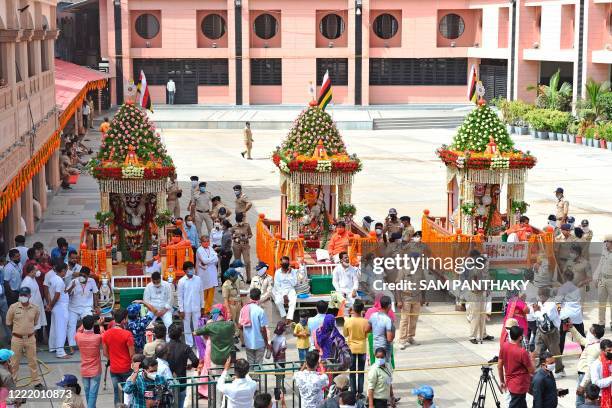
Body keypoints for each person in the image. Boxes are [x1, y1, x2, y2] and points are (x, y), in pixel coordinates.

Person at [7, 287, 42, 388]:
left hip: (30, 338)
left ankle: (36, 382)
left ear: (30, 296)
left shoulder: (35, 308)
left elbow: (35, 322)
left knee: (33, 361)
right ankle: (13, 382)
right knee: (14, 362)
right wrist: (17, 332)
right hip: (16, 338)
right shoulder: (13, 307)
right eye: (21, 295)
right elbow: (8, 323)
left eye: (25, 295)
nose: (23, 297)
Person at [102, 308, 135, 406]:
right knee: (128, 394)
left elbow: (105, 353)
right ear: (124, 320)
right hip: (127, 368)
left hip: (114, 369)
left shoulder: (106, 334)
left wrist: (113, 359)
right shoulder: (127, 334)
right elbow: (132, 354)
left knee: (117, 393)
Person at [498, 326, 534, 408]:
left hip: (511, 383)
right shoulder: (522, 352)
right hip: (520, 385)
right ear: (520, 337)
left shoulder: (504, 347)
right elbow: (531, 370)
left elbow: (499, 366)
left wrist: (502, 381)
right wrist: (532, 359)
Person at [532, 287, 564, 376]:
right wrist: (536, 311)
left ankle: (559, 370)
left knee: (554, 352)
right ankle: (538, 370)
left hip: (552, 333)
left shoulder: (551, 305)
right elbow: (536, 315)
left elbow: (546, 319)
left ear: (545, 296)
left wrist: (537, 312)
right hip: (541, 330)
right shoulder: (539, 303)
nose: (538, 298)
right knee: (538, 350)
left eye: (540, 296)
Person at [66, 267, 99, 353]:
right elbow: (66, 293)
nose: (82, 277)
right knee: (71, 325)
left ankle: (88, 344)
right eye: (80, 275)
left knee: (89, 323)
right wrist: (72, 287)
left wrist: (96, 307)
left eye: (84, 276)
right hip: (73, 308)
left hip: (87, 307)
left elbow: (95, 293)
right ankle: (71, 346)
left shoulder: (91, 281)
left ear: (88, 276)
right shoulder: (74, 281)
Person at [166, 323, 199, 408]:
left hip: (167, 381)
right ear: (181, 334)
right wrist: (190, 366)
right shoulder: (185, 347)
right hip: (181, 380)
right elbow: (195, 361)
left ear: (169, 334)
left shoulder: (164, 347)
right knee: (181, 402)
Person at [75, 315, 104, 408]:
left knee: (88, 393)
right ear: (93, 325)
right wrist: (101, 325)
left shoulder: (78, 336)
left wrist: (84, 323)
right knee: (93, 394)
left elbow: (78, 331)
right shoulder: (97, 337)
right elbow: (104, 336)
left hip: (84, 369)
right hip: (95, 370)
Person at [343, 299, 369, 398]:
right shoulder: (366, 321)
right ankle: (360, 392)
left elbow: (345, 334)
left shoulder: (348, 321)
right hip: (362, 348)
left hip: (351, 348)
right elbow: (367, 334)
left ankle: (353, 392)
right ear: (362, 309)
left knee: (352, 371)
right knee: (361, 371)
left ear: (353, 309)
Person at [575, 324, 605, 405]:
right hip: (586, 375)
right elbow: (581, 339)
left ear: (594, 334)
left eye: (590, 330)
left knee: (580, 402)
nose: (588, 331)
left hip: (585, 376)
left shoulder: (593, 348)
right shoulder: (598, 342)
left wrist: (582, 385)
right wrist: (571, 327)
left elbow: (590, 369)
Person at [241, 288, 270, 373]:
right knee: (258, 365)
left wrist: (246, 334)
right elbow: (263, 329)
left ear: (250, 296)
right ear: (259, 297)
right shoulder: (260, 311)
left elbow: (240, 325)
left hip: (248, 342)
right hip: (259, 343)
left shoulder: (244, 309)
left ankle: (251, 381)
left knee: (250, 365)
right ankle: (255, 382)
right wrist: (266, 343)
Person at [177, 261, 203, 346]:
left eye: (192, 268)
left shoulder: (198, 279)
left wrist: (202, 306)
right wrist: (181, 310)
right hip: (186, 308)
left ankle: (199, 343)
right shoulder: (181, 281)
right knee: (187, 327)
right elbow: (180, 296)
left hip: (196, 307)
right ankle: (189, 344)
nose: (192, 270)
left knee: (198, 326)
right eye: (190, 269)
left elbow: (201, 293)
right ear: (185, 271)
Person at [47, 262, 70, 358]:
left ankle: (52, 347)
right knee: (61, 329)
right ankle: (60, 352)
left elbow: (49, 292)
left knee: (54, 328)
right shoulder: (59, 281)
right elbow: (57, 295)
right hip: (60, 307)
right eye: (66, 270)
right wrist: (51, 305)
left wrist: (50, 304)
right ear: (63, 271)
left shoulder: (52, 278)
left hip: (56, 306)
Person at [368, 295, 395, 364]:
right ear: (389, 306)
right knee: (385, 371)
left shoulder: (373, 315)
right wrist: (393, 331)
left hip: (375, 347)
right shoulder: (388, 320)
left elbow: (366, 329)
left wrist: (376, 331)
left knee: (378, 368)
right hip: (384, 349)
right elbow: (389, 339)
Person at [19, 264, 46, 331]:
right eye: (36, 270)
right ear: (31, 272)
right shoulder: (26, 282)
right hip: (30, 310)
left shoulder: (33, 278)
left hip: (36, 307)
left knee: (36, 328)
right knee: (31, 330)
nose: (38, 272)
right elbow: (23, 299)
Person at [196, 235, 218, 313]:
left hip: (212, 274)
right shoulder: (199, 250)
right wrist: (212, 259)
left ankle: (208, 310)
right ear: (201, 243)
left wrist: (209, 260)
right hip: (203, 275)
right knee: (203, 293)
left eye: (207, 241)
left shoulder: (210, 248)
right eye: (204, 241)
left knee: (211, 293)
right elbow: (204, 261)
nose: (206, 243)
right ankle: (203, 310)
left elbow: (216, 259)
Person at [273, 257, 298, 324]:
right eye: (283, 263)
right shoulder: (277, 272)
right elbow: (277, 285)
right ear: (281, 264)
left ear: (288, 263)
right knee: (278, 301)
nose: (285, 264)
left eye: (286, 263)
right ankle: (284, 315)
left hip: (290, 289)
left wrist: (288, 274)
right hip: (281, 290)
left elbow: (294, 283)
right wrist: (284, 295)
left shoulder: (292, 271)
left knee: (293, 301)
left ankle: (289, 318)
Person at [595, 235, 612, 327]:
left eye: (606, 242)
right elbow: (600, 264)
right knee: (601, 303)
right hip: (602, 279)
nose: (605, 243)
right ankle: (601, 323)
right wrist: (596, 277)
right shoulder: (604, 250)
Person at [589, 338, 612, 407]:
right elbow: (596, 383)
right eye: (609, 350)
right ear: (602, 350)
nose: (611, 352)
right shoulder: (596, 365)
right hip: (602, 397)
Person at [222, 268, 242, 341]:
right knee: (232, 323)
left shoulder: (236, 282)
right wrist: (228, 311)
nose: (237, 277)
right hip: (231, 306)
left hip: (238, 305)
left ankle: (240, 336)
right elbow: (225, 300)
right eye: (235, 276)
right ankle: (233, 339)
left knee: (240, 322)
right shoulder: (226, 285)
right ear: (231, 277)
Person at [232, 212, 253, 281]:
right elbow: (231, 235)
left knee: (247, 262)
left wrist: (247, 237)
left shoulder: (247, 225)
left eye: (240, 220)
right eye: (238, 221)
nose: (240, 222)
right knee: (237, 262)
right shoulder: (234, 227)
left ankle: (249, 278)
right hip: (236, 245)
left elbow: (250, 234)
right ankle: (239, 278)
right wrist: (234, 237)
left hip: (245, 245)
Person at [271, 320, 288, 390]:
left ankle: (277, 386)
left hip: (275, 359)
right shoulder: (283, 338)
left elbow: (271, 346)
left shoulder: (274, 337)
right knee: (282, 373)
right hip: (282, 359)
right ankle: (282, 386)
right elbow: (283, 348)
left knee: (277, 373)